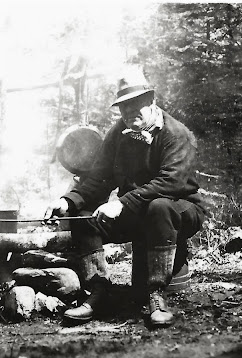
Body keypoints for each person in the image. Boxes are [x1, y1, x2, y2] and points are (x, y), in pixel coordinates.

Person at [44, 66, 207, 328]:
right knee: (84, 216)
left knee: (160, 207)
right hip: (135, 211)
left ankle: (156, 295)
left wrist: (121, 203)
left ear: (151, 101)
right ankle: (98, 291)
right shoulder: (119, 133)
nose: (130, 112)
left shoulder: (176, 134)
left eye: (136, 105)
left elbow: (171, 182)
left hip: (181, 211)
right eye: (124, 107)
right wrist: (68, 200)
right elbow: (98, 178)